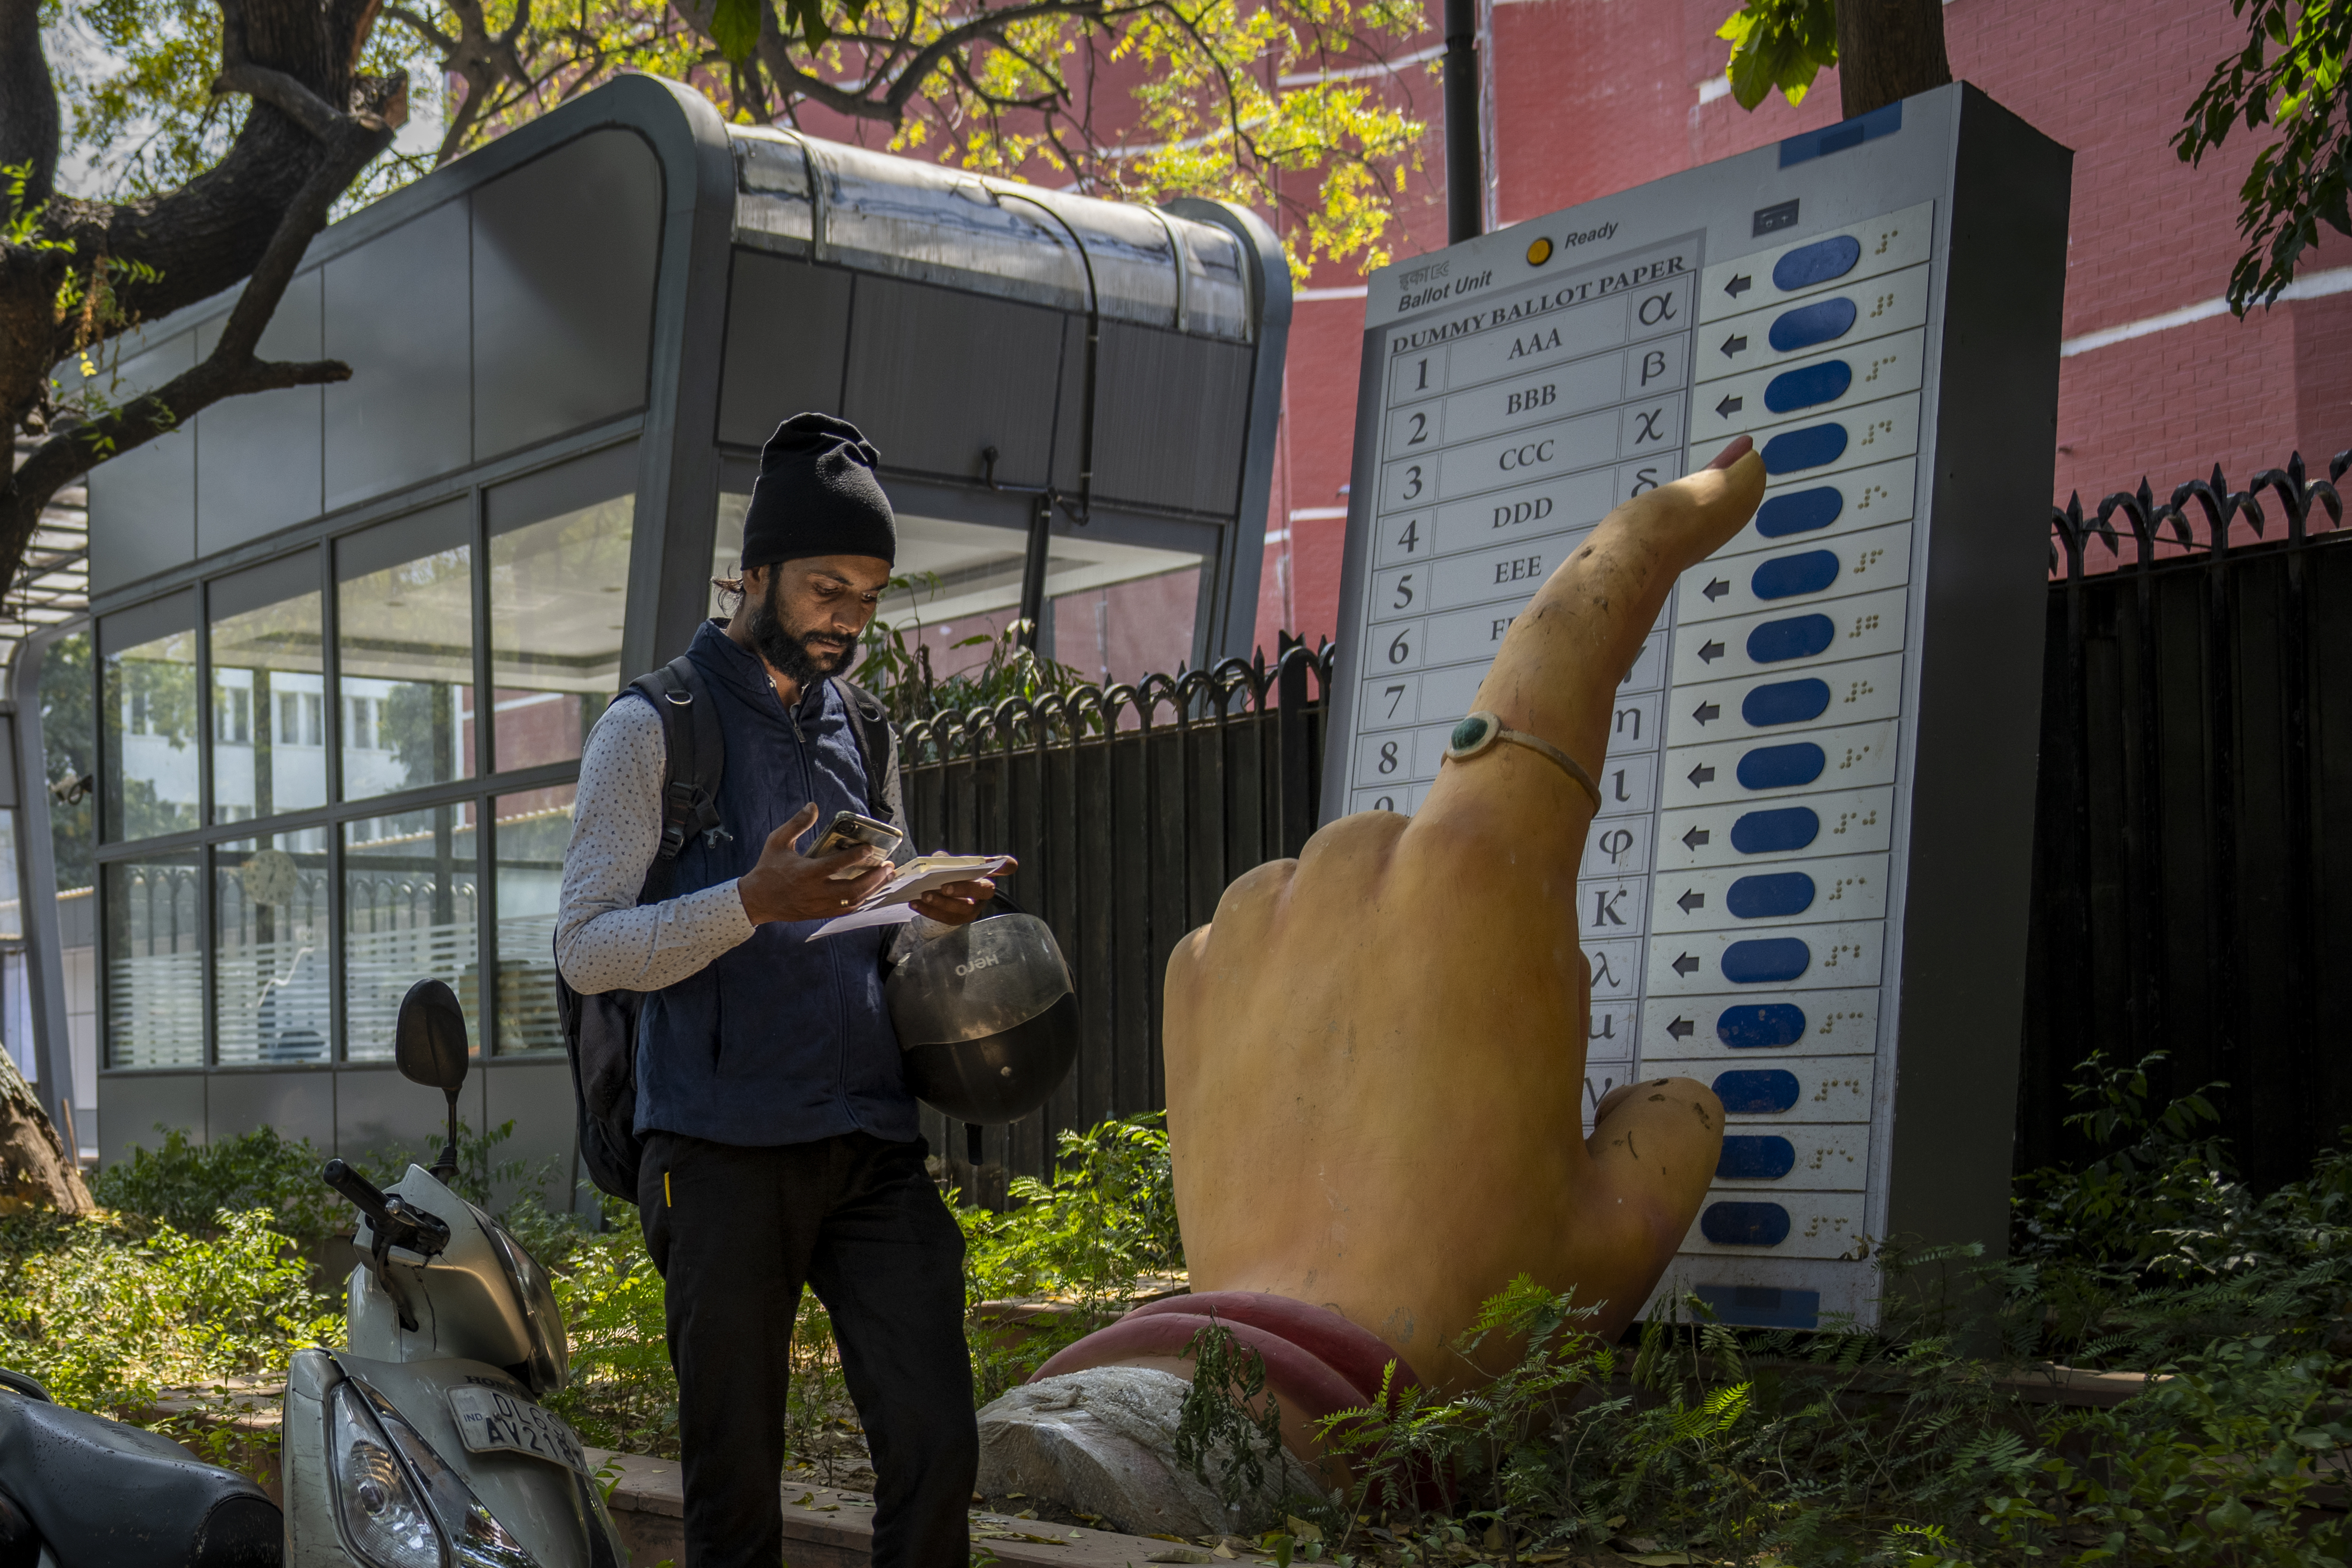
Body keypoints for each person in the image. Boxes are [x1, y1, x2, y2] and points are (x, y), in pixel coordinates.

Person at [555, 412, 1004, 1568]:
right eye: (824, 586)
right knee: (736, 1484)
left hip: (868, 1140)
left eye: (866, 593)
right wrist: (748, 901)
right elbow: (587, 949)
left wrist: (919, 900)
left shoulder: (864, 723)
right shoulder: (651, 728)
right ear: (752, 574)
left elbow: (860, 916)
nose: (846, 617)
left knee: (935, 1442)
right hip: (716, 1150)